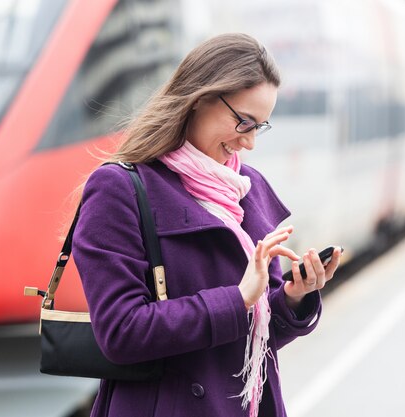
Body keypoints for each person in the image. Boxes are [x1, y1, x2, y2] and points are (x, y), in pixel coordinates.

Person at [73, 33, 342, 417]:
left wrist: (296, 297)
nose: (249, 142)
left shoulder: (247, 188)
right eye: (243, 122)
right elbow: (120, 332)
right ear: (199, 98)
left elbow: (256, 340)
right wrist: (238, 299)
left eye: (260, 127)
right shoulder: (120, 189)